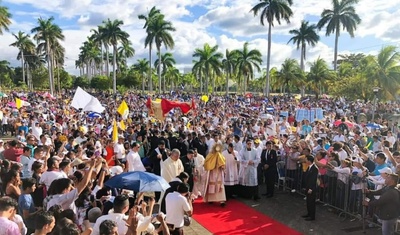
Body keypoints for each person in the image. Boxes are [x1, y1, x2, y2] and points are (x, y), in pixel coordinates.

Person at [301, 155, 318, 221]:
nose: (305, 161)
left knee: (311, 202)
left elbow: (313, 179)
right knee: (308, 201)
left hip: (311, 188)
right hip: (308, 186)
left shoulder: (315, 168)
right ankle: (309, 213)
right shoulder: (309, 167)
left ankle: (312, 216)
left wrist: (311, 188)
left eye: (306, 159)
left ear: (309, 160)